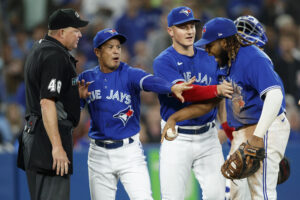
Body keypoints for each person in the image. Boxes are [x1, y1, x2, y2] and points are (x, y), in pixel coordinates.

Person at [78, 28, 195, 200]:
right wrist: (78, 99)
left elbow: (150, 81)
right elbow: (73, 116)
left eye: (118, 46)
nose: (116, 50)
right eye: (110, 47)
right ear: (97, 51)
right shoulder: (86, 78)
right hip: (98, 154)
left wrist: (170, 87)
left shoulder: (129, 73)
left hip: (129, 152)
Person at [195, 17, 289, 199]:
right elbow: (221, 99)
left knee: (261, 191)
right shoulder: (224, 60)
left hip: (266, 127)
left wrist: (257, 136)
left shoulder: (253, 57)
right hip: (243, 130)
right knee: (235, 191)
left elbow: (275, 95)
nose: (206, 49)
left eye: (210, 44)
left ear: (224, 41)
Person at [152, 6, 234, 200]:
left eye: (192, 26)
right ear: (170, 31)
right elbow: (186, 93)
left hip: (208, 135)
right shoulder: (163, 61)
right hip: (177, 137)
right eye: (182, 27)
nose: (189, 31)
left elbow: (220, 95)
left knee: (217, 195)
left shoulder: (209, 55)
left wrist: (223, 125)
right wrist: (216, 90)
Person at [17, 8, 90, 200]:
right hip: (48, 138)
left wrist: (74, 95)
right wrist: (57, 147)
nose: (80, 34)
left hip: (35, 134)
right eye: (76, 30)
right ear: (62, 32)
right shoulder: (55, 56)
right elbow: (47, 102)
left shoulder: (39, 48)